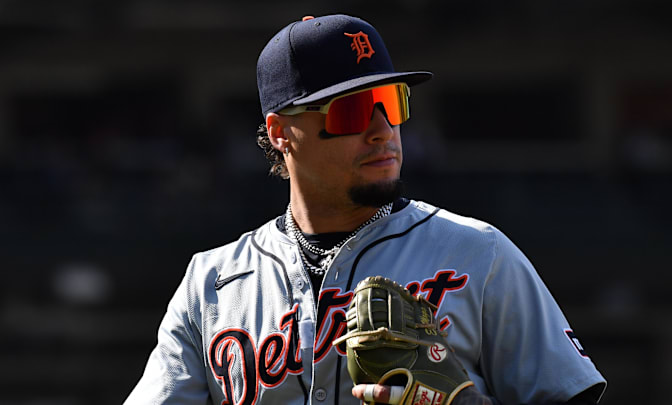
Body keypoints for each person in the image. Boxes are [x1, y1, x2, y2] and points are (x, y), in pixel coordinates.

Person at [125, 14, 606, 405]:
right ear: (280, 132)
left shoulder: (479, 254)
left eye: (390, 103)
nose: (382, 131)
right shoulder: (211, 282)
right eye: (351, 112)